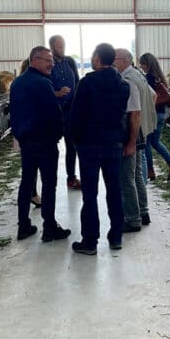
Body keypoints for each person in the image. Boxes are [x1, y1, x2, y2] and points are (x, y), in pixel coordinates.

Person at [68, 43, 130, 255]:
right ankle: (116, 237)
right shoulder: (123, 86)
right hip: (113, 143)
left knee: (90, 194)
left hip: (89, 145)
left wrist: (75, 140)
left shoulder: (87, 84)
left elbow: (76, 116)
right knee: (114, 190)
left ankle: (90, 241)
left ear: (96, 58)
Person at [10, 46, 70, 242]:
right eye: (48, 60)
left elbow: (15, 114)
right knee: (49, 184)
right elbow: (54, 114)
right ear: (34, 60)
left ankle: (23, 225)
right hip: (44, 142)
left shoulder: (17, 83)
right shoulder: (43, 83)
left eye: (51, 60)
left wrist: (19, 135)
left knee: (26, 182)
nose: (51, 64)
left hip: (26, 142)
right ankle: (49, 226)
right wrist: (58, 134)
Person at [114, 48, 157, 232]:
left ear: (123, 61)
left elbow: (134, 111)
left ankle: (132, 219)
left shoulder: (127, 80)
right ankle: (143, 211)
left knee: (127, 177)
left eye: (114, 60)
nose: (112, 63)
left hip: (132, 132)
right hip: (141, 130)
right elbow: (153, 96)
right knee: (138, 173)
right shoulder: (138, 75)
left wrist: (131, 138)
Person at [48, 35, 82, 190]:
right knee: (49, 147)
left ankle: (71, 177)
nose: (63, 49)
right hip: (53, 112)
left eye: (64, 45)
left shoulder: (70, 62)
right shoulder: (48, 64)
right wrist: (55, 93)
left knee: (72, 146)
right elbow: (42, 86)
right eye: (60, 46)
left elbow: (77, 81)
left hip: (71, 111)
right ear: (52, 47)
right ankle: (49, 180)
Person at [138, 52, 170, 181]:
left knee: (147, 143)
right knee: (155, 142)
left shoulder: (148, 78)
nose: (141, 66)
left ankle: (150, 171)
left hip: (152, 113)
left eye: (143, 64)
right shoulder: (159, 77)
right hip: (161, 113)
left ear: (147, 64)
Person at [18, 58, 42, 208]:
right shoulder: (36, 83)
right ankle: (32, 194)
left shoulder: (18, 83)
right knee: (33, 167)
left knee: (28, 166)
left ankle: (29, 196)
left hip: (22, 131)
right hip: (34, 131)